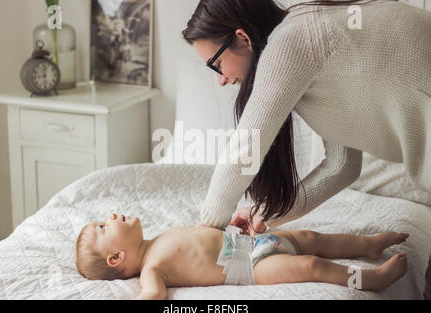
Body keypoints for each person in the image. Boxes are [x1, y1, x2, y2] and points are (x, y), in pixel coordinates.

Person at [182, 0, 431, 236]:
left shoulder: (294, 40)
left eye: (216, 64)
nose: (221, 80)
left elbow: (247, 146)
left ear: (242, 38)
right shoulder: (311, 53)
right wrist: (264, 214)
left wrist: (209, 226)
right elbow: (342, 166)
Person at [76, 213, 409, 299]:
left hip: (251, 242)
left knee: (312, 238)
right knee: (311, 264)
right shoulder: (152, 268)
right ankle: (368, 279)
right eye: (103, 226)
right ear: (116, 258)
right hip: (251, 266)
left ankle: (368, 246)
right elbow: (153, 294)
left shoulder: (158, 238)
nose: (111, 215)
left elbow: (202, 238)